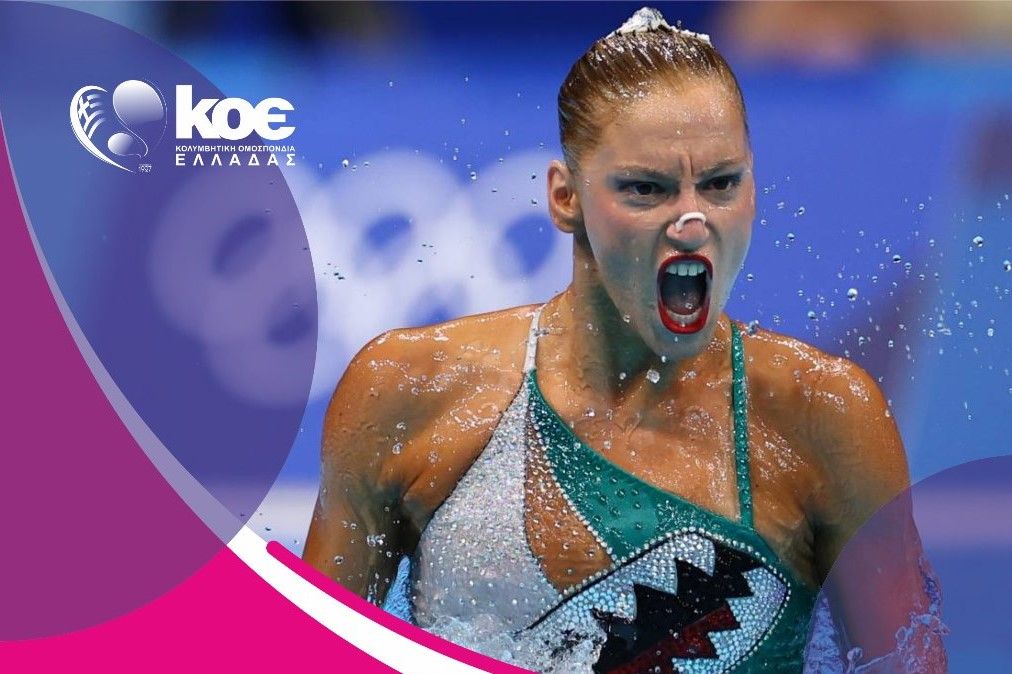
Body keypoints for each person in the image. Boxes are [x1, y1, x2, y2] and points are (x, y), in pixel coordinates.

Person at [304, 8, 945, 673]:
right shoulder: (409, 393)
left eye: (721, 184)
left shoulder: (821, 418)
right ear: (565, 198)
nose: (692, 221)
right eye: (646, 189)